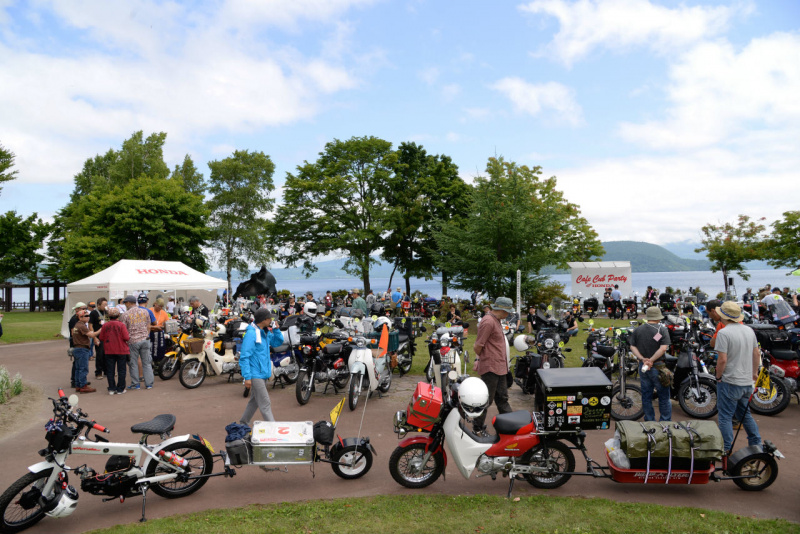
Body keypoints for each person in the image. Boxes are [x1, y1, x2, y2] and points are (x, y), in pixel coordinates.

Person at [714, 301, 761, 455]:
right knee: (744, 415)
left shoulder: (724, 333)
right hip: (747, 381)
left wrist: (718, 376)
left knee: (725, 417)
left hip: (730, 381)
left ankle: (726, 449)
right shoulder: (749, 330)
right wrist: (754, 373)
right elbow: (756, 354)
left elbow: (722, 360)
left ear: (723, 316)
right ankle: (756, 443)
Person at [472, 297, 514, 435]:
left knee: (502, 398)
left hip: (499, 366)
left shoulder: (496, 320)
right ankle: (477, 428)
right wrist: (481, 358)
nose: (508, 314)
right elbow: (478, 345)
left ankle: (510, 426)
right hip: (491, 366)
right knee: (486, 400)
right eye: (507, 311)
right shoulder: (488, 321)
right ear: (502, 310)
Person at [239, 308, 285, 424]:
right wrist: (247, 377)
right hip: (255, 374)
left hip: (262, 372)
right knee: (265, 403)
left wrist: (276, 330)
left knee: (254, 401)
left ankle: (243, 423)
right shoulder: (251, 334)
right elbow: (244, 356)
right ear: (263, 320)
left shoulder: (264, 332)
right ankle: (273, 428)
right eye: (269, 318)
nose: (271, 320)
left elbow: (277, 342)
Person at [629, 306, 671, 422]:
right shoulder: (662, 330)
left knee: (646, 396)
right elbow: (663, 348)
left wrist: (643, 359)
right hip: (658, 366)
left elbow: (632, 346)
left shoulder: (638, 330)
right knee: (664, 397)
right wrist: (651, 360)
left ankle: (649, 420)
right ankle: (665, 421)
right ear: (658, 317)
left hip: (643, 367)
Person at [89, 308, 129, 395]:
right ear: (118, 315)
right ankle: (120, 388)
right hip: (121, 349)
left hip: (109, 350)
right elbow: (126, 337)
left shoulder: (105, 325)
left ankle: (111, 388)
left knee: (110, 370)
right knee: (121, 370)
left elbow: (102, 337)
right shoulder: (121, 325)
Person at [122, 294, 156, 390]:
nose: (125, 305)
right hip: (145, 339)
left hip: (133, 341)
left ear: (128, 303)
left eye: (125, 303)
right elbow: (148, 325)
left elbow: (123, 329)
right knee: (147, 363)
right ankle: (149, 384)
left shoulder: (126, 314)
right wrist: (146, 335)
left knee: (133, 363)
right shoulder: (145, 312)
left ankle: (135, 384)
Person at [71, 311, 96, 393]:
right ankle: (83, 385)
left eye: (88, 315)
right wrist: (100, 330)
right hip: (82, 349)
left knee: (78, 368)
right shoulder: (81, 326)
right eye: (85, 316)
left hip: (77, 348)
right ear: (80, 317)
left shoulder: (77, 325)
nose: (88, 317)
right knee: (83, 368)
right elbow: (91, 335)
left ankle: (78, 385)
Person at [68, 302, 88, 389]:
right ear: (77, 309)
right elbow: (73, 333)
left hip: (78, 343)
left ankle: (79, 380)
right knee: (78, 364)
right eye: (83, 308)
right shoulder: (74, 320)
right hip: (77, 343)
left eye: (85, 308)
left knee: (79, 363)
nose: (84, 310)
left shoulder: (78, 320)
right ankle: (75, 381)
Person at [89, 298, 109, 379]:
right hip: (98, 336)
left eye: (106, 304)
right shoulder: (94, 313)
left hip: (107, 336)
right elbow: (90, 325)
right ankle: (98, 372)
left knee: (107, 354)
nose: (105, 306)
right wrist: (94, 338)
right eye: (104, 305)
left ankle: (106, 371)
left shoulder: (106, 312)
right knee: (100, 355)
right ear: (98, 305)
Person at [149, 297, 169, 367]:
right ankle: (152, 363)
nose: (160, 308)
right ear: (155, 304)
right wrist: (154, 327)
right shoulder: (149, 310)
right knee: (151, 348)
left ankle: (159, 364)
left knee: (160, 348)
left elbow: (167, 323)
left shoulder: (164, 313)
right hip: (151, 333)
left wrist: (163, 327)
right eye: (159, 306)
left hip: (160, 333)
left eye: (161, 306)